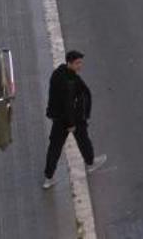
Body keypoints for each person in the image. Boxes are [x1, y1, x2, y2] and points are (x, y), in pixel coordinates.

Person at [42, 50, 106, 189]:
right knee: (82, 139)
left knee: (55, 147)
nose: (80, 66)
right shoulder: (70, 81)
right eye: (77, 63)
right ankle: (90, 163)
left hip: (58, 117)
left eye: (80, 62)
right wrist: (71, 123)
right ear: (69, 63)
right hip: (72, 119)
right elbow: (68, 104)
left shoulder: (58, 73)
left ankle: (48, 177)